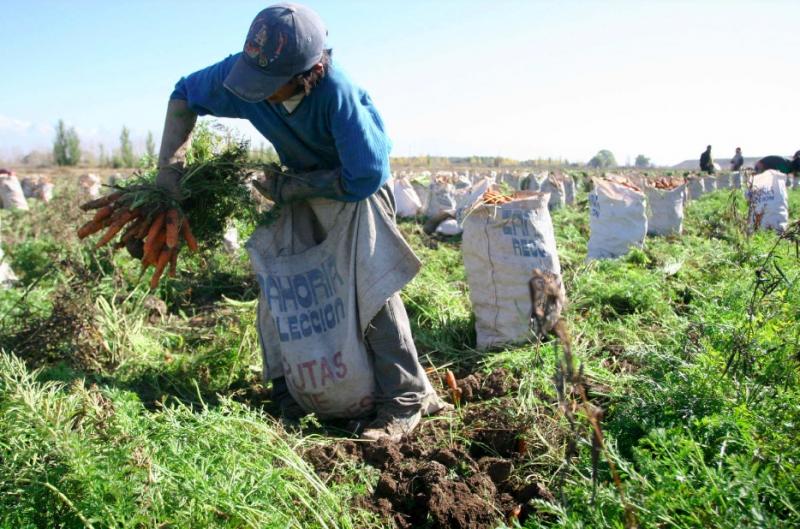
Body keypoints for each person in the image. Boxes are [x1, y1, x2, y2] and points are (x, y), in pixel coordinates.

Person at [152, 3, 447, 441]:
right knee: (280, 286)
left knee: (369, 289)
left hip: (352, 190)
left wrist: (291, 189)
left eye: (269, 85)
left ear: (310, 72)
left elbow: (364, 174)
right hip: (297, 184)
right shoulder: (242, 76)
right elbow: (183, 93)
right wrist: (169, 174)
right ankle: (289, 393)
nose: (256, 93)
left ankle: (403, 400)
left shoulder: (336, 93)